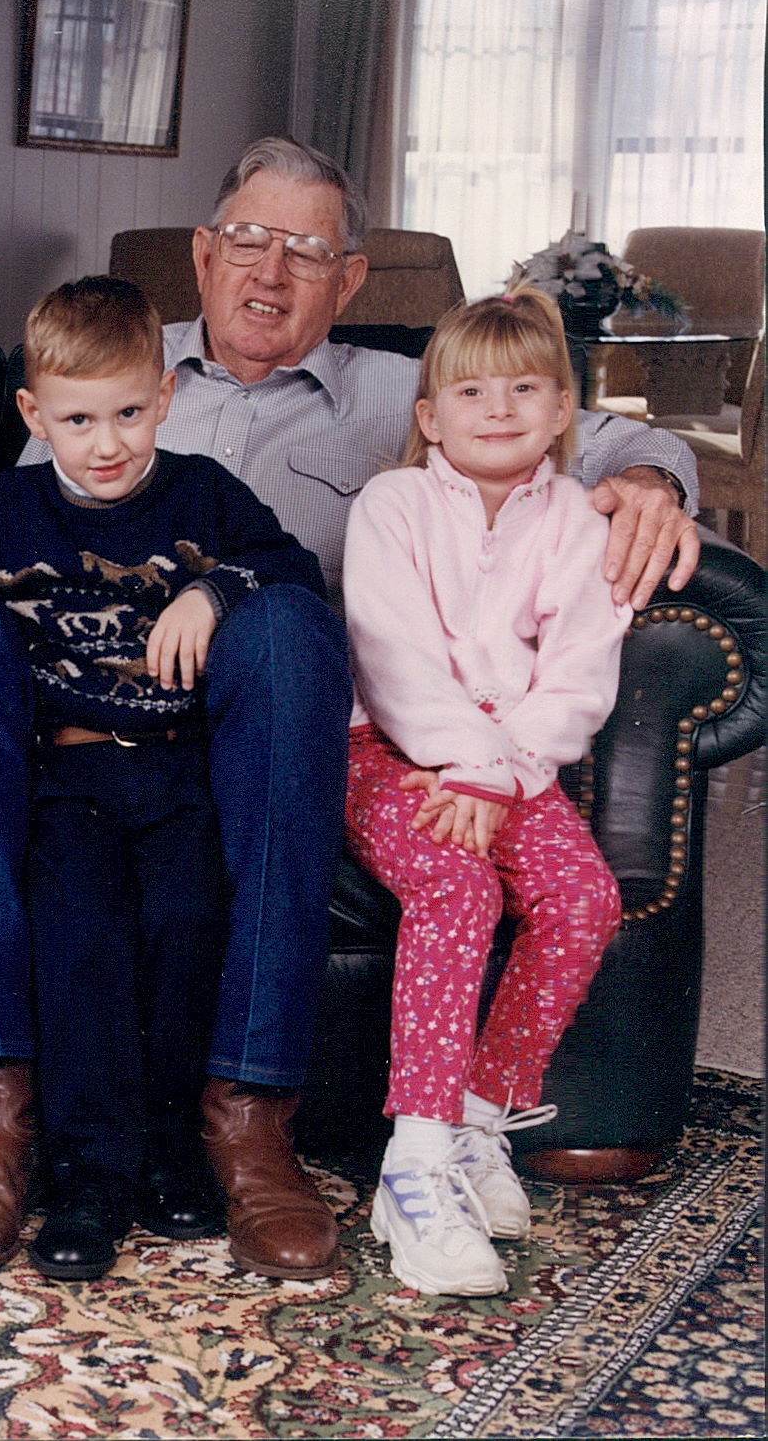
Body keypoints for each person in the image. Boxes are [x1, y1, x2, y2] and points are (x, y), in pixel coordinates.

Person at [0, 136, 699, 1283]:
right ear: (201, 253)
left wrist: (651, 481)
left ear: (350, 278)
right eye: (247, 240)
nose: (268, 272)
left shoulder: (405, 388)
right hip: (83, 720)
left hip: (275, 730)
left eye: (306, 251)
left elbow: (599, 429)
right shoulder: (108, 361)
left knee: (279, 619)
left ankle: (250, 1122)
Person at [0, 277, 324, 1279]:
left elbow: (288, 565)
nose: (106, 443)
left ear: (164, 396)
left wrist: (210, 590)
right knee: (77, 933)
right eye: (77, 419)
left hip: (183, 769)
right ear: (33, 415)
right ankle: (45, 1157)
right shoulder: (5, 510)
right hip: (68, 775)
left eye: (127, 413)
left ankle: (217, 1140)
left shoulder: (203, 494)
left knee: (188, 916)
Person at [344, 289, 627, 1296]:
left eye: (524, 389)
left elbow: (579, 675)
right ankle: (414, 1166)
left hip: (513, 766)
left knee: (582, 897)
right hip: (391, 752)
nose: (498, 408)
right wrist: (463, 761)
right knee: (458, 885)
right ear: (430, 416)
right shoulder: (392, 505)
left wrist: (500, 772)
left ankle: (476, 1119)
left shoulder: (577, 523)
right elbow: (392, 656)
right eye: (470, 392)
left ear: (562, 410)